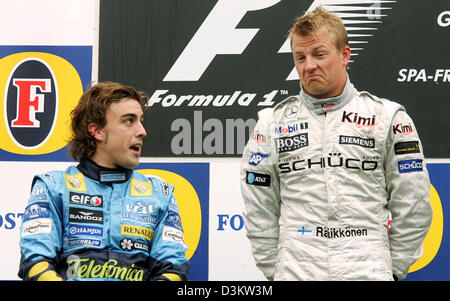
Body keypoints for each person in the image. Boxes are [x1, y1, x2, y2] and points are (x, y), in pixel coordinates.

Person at [240, 7, 433, 281]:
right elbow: (258, 205)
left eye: (319, 54)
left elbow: (413, 203)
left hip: (367, 271)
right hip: (296, 271)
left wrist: (390, 269)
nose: (309, 66)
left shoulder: (387, 117)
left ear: (344, 55)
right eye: (300, 57)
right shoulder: (271, 122)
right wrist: (278, 270)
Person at [18, 82, 190, 281]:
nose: (142, 131)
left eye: (141, 121)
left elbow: (174, 269)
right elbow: (35, 262)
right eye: (129, 121)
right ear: (97, 131)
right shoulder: (52, 188)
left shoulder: (161, 194)